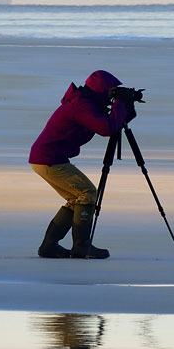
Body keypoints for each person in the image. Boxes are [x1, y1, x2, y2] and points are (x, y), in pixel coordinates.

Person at [30, 70, 137, 259]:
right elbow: (107, 129)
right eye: (112, 90)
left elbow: (112, 124)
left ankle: (49, 247)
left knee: (76, 199)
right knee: (88, 193)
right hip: (48, 159)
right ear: (101, 89)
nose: (114, 93)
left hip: (48, 158)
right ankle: (81, 246)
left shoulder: (88, 103)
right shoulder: (81, 105)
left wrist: (126, 107)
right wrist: (120, 104)